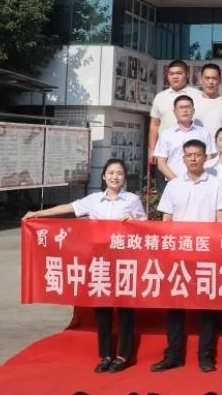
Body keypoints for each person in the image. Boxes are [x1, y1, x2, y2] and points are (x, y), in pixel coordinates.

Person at [23, 158, 144, 373]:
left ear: (125, 178)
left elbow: (145, 227)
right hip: (99, 261)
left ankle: (123, 356)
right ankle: (105, 355)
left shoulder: (132, 201)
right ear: (104, 176)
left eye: (119, 173)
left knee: (125, 309)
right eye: (111, 173)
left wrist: (134, 222)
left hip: (124, 260)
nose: (115, 177)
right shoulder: (93, 200)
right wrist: (37, 213)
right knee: (102, 310)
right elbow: (67, 208)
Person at [151, 140, 222, 373]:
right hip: (179, 255)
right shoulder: (174, 186)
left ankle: (205, 356)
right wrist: (167, 253)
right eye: (189, 155)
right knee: (176, 306)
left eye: (197, 154)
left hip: (207, 255)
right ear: (183, 159)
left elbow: (220, 221)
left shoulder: (216, 184)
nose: (193, 158)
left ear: (205, 157)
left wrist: (217, 252)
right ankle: (173, 355)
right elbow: (166, 221)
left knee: (207, 308)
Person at [153, 95, 216, 181]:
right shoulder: (166, 134)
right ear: (174, 112)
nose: (185, 110)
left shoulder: (204, 133)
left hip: (199, 182)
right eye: (181, 107)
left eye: (188, 107)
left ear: (193, 111)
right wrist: (177, 182)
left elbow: (208, 159)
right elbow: (161, 163)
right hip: (173, 182)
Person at [149, 60, 202, 160]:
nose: (175, 77)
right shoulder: (160, 97)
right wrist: (152, 149)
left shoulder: (198, 96)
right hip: (165, 152)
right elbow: (155, 125)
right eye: (171, 74)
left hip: (191, 153)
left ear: (187, 74)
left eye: (179, 73)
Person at [194, 63, 222, 137]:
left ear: (219, 81)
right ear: (201, 80)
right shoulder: (193, 103)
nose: (210, 82)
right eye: (207, 78)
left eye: (214, 78)